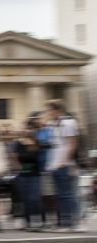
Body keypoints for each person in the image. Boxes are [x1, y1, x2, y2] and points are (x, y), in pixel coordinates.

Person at [46, 99, 79, 231]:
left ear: (57, 110)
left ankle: (71, 222)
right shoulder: (51, 124)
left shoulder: (68, 123)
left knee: (67, 194)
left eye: (50, 110)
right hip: (54, 164)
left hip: (63, 164)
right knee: (60, 194)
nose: (48, 112)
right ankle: (64, 221)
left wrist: (63, 161)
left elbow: (72, 144)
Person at [12, 121, 42, 230]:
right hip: (22, 175)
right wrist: (17, 166)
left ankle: (36, 220)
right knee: (25, 199)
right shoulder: (18, 143)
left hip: (34, 174)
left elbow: (37, 156)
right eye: (26, 128)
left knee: (34, 198)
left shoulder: (36, 142)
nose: (28, 130)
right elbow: (14, 157)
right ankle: (28, 221)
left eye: (30, 128)